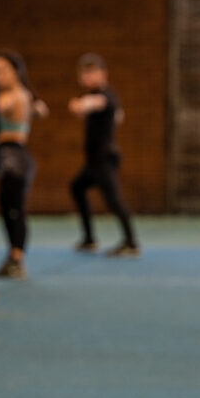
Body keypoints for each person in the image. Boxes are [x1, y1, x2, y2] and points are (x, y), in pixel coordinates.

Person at [67, 53, 140, 255]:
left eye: (92, 73)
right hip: (93, 161)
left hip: (103, 159)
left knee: (113, 200)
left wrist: (81, 105)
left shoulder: (106, 95)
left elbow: (95, 103)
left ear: (103, 74)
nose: (88, 77)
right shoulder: (98, 96)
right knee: (77, 187)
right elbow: (118, 117)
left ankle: (131, 242)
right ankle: (89, 238)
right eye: (85, 73)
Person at [0, 50, 45, 281]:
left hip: (14, 157)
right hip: (7, 156)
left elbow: (2, 106)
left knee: (15, 209)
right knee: (7, 207)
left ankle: (16, 258)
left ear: (16, 72)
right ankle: (13, 256)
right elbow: (40, 109)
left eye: (2, 70)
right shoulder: (22, 96)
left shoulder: (13, 95)